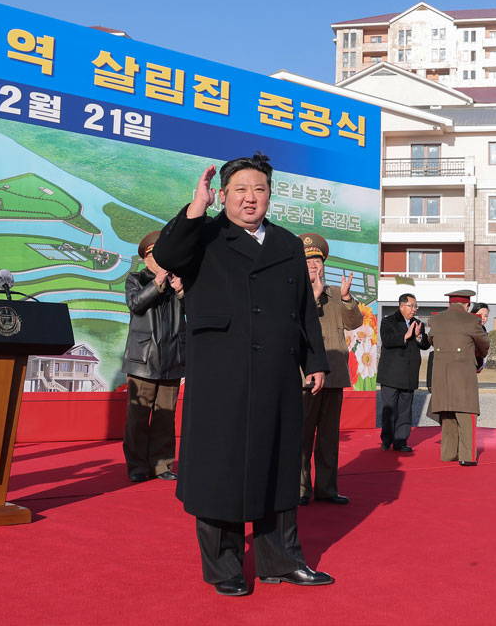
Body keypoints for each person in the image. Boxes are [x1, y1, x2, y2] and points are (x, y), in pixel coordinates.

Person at [153, 153, 333, 597]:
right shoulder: (204, 234)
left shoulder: (289, 244)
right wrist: (196, 208)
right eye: (240, 190)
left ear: (270, 195)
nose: (250, 198)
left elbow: (305, 310)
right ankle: (224, 567)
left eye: (259, 189)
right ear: (224, 195)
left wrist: (315, 361)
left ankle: (282, 560)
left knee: (278, 463)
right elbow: (167, 255)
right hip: (221, 371)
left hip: (275, 370)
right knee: (220, 466)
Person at [298, 233, 363, 507]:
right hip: (304, 377)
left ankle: (327, 487)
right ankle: (300, 488)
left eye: (318, 261)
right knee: (301, 435)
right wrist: (311, 298)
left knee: (328, 437)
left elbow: (354, 323)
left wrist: (348, 299)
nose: (315, 267)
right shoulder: (293, 293)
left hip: (333, 374)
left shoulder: (336, 294)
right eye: (309, 261)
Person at [120, 231, 186, 483]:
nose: (161, 260)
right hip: (143, 360)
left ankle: (162, 465)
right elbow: (135, 304)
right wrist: (157, 283)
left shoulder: (179, 281)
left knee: (165, 415)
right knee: (138, 417)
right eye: (155, 256)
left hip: (172, 357)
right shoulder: (136, 279)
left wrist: (180, 291)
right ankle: (137, 465)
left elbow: (195, 310)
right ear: (146, 258)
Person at [427, 289, 490, 466]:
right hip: (463, 374)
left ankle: (448, 453)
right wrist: (479, 356)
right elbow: (484, 344)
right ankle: (467, 456)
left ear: (449, 304)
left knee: (447, 415)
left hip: (441, 375)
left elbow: (431, 340)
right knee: (466, 414)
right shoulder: (472, 320)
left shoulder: (436, 319)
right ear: (467, 304)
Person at [376, 293, 429, 452]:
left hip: (409, 374)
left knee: (405, 411)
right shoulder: (388, 321)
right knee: (389, 409)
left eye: (415, 306)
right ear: (401, 306)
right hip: (391, 374)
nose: (414, 309)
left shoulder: (418, 323)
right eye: (411, 306)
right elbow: (387, 340)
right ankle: (387, 439)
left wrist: (419, 336)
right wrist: (404, 336)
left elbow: (425, 345)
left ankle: (400, 442)